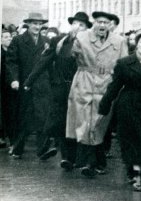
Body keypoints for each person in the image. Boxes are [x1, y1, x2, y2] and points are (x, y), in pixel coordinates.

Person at [98, 28, 141, 192]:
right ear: (136, 44)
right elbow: (115, 86)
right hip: (128, 105)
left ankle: (137, 169)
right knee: (130, 139)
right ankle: (135, 172)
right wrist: (105, 104)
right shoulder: (124, 63)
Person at [24, 11, 91, 169]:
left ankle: (78, 158)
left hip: (81, 89)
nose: (78, 27)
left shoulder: (90, 45)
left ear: (87, 28)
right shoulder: (59, 41)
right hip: (60, 88)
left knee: (78, 122)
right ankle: (66, 157)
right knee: (60, 122)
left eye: (82, 25)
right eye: (75, 23)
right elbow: (44, 61)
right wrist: (29, 81)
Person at [67, 11, 127, 177]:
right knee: (85, 122)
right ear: (94, 22)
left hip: (106, 85)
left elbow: (125, 63)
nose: (102, 25)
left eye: (106, 23)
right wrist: (69, 39)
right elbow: (67, 55)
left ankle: (98, 161)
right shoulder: (81, 37)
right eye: (99, 22)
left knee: (99, 123)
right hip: (85, 83)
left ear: (110, 25)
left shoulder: (119, 41)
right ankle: (90, 163)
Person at [6, 12, 52, 159]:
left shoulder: (46, 41)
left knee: (42, 116)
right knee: (24, 117)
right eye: (34, 24)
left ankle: (42, 150)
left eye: (40, 24)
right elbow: (11, 62)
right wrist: (14, 79)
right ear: (28, 24)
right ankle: (17, 148)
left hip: (42, 84)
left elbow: (50, 63)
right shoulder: (18, 40)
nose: (37, 27)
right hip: (25, 84)